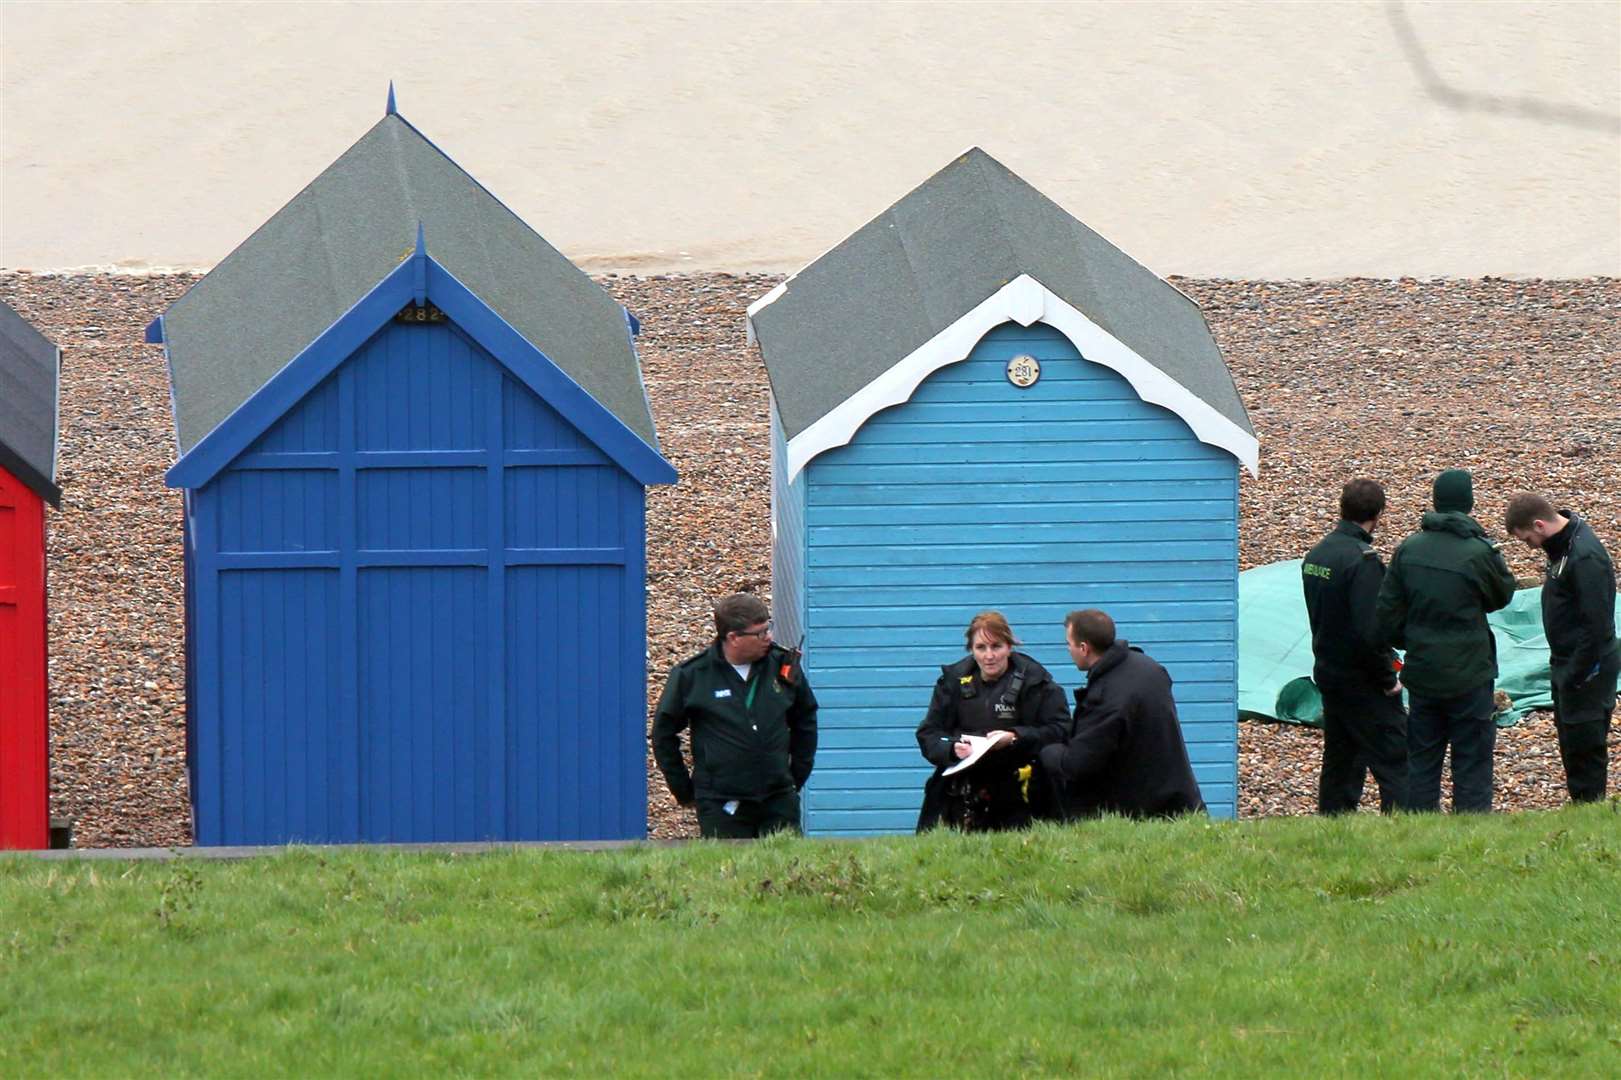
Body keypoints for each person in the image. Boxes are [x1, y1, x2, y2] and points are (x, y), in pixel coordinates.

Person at [1376, 469, 1516, 812]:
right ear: (1469, 504)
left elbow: (1387, 614)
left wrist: (1412, 640)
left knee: (1423, 759)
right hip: (1470, 673)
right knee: (1472, 760)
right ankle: (1470, 831)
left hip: (1424, 671)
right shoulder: (1478, 551)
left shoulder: (1408, 549)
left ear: (1436, 502)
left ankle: (1420, 828)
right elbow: (1503, 595)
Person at [650, 593, 818, 838]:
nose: (768, 637)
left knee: (789, 871)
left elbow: (806, 719)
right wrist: (684, 791)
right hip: (721, 804)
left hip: (778, 800)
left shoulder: (781, 666)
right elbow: (663, 734)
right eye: (760, 633)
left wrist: (796, 776)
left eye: (768, 628)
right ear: (733, 637)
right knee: (729, 873)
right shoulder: (693, 675)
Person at [1301, 478, 1408, 814]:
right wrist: (1388, 677)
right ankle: (1408, 826)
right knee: (1396, 759)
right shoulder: (1363, 562)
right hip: (1362, 680)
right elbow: (1370, 631)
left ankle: (1333, 823)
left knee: (1341, 759)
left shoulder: (1317, 554)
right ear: (1378, 514)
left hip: (1329, 671)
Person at [1505, 492, 1620, 804]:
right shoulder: (1563, 549)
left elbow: (1598, 627)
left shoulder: (1584, 557)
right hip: (1568, 664)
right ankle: (1581, 805)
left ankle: (1589, 811)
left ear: (1539, 525)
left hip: (1587, 671)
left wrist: (1575, 674)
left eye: (1528, 539)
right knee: (1572, 744)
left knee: (1585, 746)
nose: (1530, 546)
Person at [1037, 609, 1205, 819]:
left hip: (1145, 815)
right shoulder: (1149, 668)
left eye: (1068, 644)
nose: (1068, 650)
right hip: (1181, 800)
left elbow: (1077, 763)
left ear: (1084, 648)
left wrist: (1048, 750)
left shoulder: (1107, 699)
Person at [915, 611, 1071, 832]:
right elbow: (928, 734)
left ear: (1009, 646)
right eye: (981, 648)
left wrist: (1016, 737)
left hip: (1021, 789)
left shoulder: (1037, 682)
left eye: (996, 646)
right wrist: (950, 749)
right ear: (971, 650)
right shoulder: (952, 683)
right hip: (964, 785)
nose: (989, 656)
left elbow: (1061, 729)